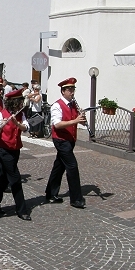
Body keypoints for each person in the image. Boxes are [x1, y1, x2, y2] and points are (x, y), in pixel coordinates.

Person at [0, 88, 31, 220]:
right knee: (15, 178)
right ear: (14, 103)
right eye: (19, 102)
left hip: (15, 150)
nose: (21, 104)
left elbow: (25, 128)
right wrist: (1, 126)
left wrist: (17, 123)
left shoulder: (21, 114)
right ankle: (21, 209)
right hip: (4, 150)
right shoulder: (1, 114)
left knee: (4, 178)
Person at [45, 78, 86, 209]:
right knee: (72, 167)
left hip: (70, 139)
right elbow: (57, 124)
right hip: (61, 140)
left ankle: (50, 193)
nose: (72, 92)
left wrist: (81, 120)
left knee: (59, 166)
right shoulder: (57, 105)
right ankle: (76, 199)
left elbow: (76, 121)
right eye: (69, 90)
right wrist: (75, 121)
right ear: (63, 91)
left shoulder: (73, 105)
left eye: (73, 89)